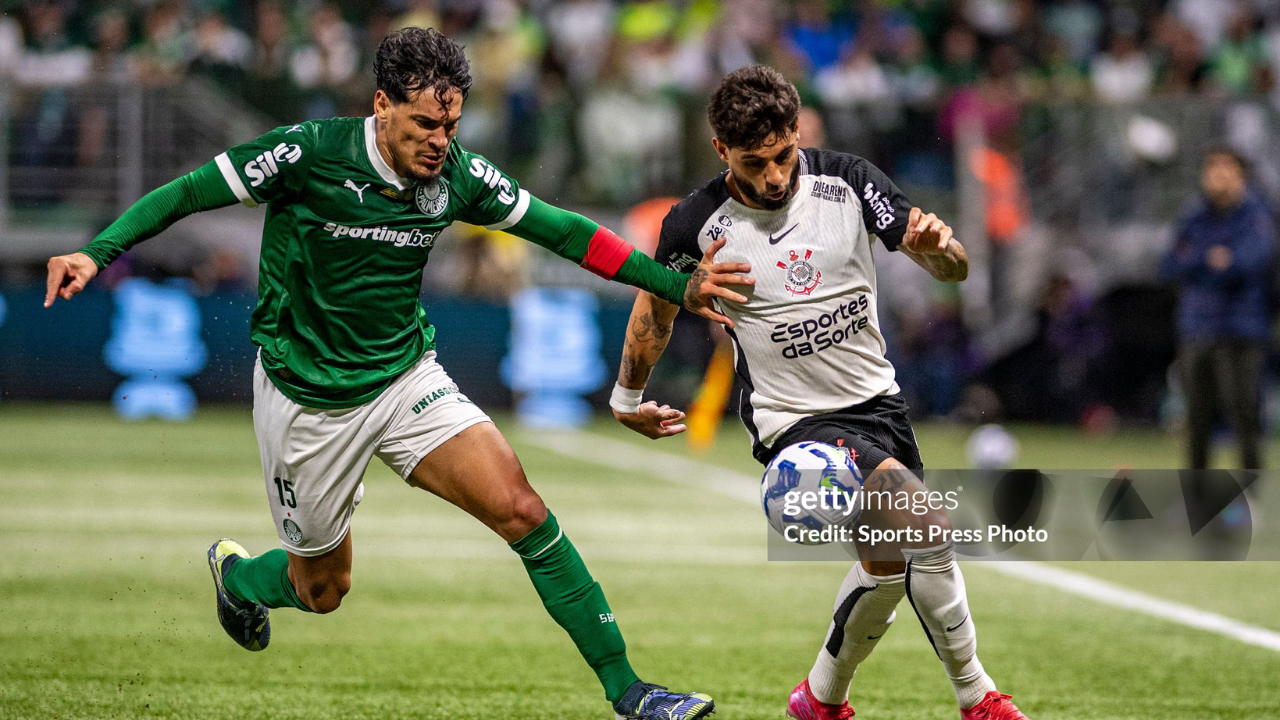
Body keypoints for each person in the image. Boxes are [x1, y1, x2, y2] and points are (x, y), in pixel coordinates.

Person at [43, 27, 741, 720]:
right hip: (307, 398)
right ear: (382, 105)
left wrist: (674, 285)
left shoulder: (458, 176)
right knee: (322, 589)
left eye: (452, 124)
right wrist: (96, 253)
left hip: (404, 377)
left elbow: (562, 230)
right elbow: (188, 193)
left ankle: (632, 692)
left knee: (522, 509)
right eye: (426, 124)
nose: (441, 140)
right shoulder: (308, 154)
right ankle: (241, 579)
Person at [612, 65, 1029, 720]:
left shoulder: (850, 181)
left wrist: (940, 251)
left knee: (888, 569)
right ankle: (979, 697)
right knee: (927, 523)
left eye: (783, 155)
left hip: (878, 406)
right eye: (756, 163)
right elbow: (655, 312)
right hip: (795, 426)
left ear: (797, 131)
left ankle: (819, 700)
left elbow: (953, 268)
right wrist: (626, 399)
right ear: (721, 151)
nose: (775, 175)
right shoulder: (695, 224)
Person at [1162, 147, 1275, 470]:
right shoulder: (1194, 214)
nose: (1218, 175)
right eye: (1212, 167)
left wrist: (1203, 261)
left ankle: (1247, 497)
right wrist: (1210, 260)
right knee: (1196, 418)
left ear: (1242, 175)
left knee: (1245, 417)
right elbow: (1171, 263)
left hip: (1241, 330)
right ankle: (1197, 497)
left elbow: (1248, 263)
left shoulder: (1256, 215)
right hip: (1197, 327)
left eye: (1226, 167)